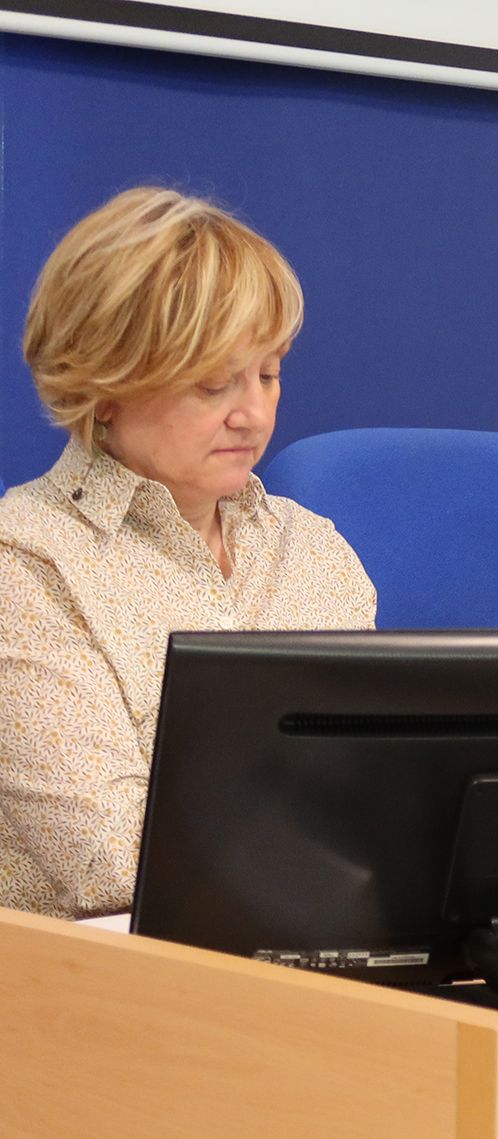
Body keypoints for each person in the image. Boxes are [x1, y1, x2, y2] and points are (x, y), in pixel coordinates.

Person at [0, 188, 376, 919]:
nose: (254, 414)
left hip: (312, 946)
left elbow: (374, 794)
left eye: (269, 373)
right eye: (213, 383)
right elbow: (115, 860)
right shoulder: (26, 563)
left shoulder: (314, 551)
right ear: (104, 388)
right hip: (111, 975)